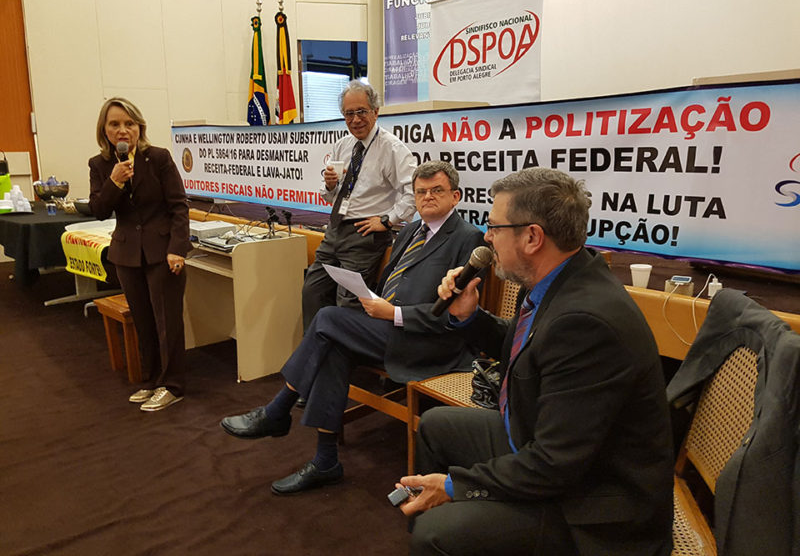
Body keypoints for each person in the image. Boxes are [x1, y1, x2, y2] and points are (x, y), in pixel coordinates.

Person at [397, 168, 674, 556]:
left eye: (495, 227)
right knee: (436, 426)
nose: (487, 238)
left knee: (436, 534)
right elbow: (524, 347)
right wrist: (468, 316)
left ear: (532, 237)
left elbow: (553, 465)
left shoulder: (585, 323)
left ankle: (442, 533)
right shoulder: (563, 280)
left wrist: (452, 486)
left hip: (594, 504)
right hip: (548, 450)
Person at [221, 161, 484, 495]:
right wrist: (370, 299)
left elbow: (452, 315)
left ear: (455, 196)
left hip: (429, 341)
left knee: (328, 318)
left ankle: (278, 410)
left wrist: (393, 312)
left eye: (437, 191)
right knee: (334, 344)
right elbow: (392, 283)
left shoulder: (468, 238)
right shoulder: (408, 232)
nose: (427, 197)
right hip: (389, 327)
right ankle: (325, 460)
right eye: (421, 192)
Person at [89, 97, 191, 412]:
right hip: (127, 254)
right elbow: (99, 209)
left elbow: (179, 207)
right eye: (115, 124)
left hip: (163, 253)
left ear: (139, 127)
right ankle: (151, 380)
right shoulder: (100, 165)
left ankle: (172, 385)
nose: (123, 130)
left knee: (167, 322)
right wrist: (114, 181)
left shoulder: (158, 158)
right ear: (105, 130)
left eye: (129, 123)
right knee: (143, 322)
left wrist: (177, 249)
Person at [302, 79, 416, 329]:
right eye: (349, 113)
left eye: (361, 112)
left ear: (376, 111)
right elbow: (331, 196)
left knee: (348, 303)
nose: (355, 120)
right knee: (312, 290)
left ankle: (345, 353)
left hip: (364, 236)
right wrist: (330, 186)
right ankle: (315, 350)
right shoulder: (343, 145)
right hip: (335, 229)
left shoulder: (392, 148)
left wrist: (387, 220)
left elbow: (413, 192)